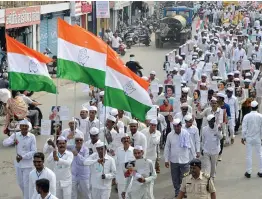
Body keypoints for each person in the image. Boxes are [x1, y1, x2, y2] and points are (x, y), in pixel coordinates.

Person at [3, 119, 37, 199]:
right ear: (20, 127)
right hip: (18, 164)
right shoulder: (16, 134)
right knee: (20, 183)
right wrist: (12, 141)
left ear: (28, 127)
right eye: (23, 126)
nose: (24, 127)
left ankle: (27, 197)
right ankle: (28, 196)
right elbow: (4, 143)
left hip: (28, 165)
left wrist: (23, 157)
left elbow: (34, 151)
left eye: (26, 126)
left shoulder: (32, 137)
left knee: (26, 184)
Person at [164, 118, 192, 197]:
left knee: (185, 176)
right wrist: (166, 160)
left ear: (180, 126)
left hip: (185, 159)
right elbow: (167, 148)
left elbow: (190, 145)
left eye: (178, 126)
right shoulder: (170, 135)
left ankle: (184, 191)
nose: (176, 128)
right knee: (175, 177)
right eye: (175, 126)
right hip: (174, 160)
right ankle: (177, 191)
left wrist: (193, 157)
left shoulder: (186, 133)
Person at [241, 101, 262, 178]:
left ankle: (248, 172)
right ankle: (261, 171)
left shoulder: (246, 116)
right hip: (258, 138)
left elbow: (244, 128)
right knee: (259, 154)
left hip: (249, 138)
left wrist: (243, 138)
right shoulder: (260, 116)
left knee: (248, 155)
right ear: (257, 107)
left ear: (250, 107)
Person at [202, 114, 223, 179]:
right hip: (206, 150)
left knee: (213, 166)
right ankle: (207, 179)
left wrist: (219, 131)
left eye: (212, 121)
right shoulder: (204, 129)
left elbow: (221, 137)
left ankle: (212, 178)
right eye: (210, 121)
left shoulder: (218, 128)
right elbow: (202, 140)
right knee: (207, 166)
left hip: (215, 151)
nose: (211, 123)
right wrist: (202, 149)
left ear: (214, 120)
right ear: (208, 122)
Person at [71, 134, 91, 199]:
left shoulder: (86, 150)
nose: (79, 141)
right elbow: (63, 145)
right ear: (75, 141)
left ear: (83, 141)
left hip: (83, 176)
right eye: (77, 140)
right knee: (73, 194)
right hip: (74, 175)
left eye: (81, 140)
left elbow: (84, 162)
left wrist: (77, 155)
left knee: (86, 194)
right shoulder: (72, 147)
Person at [115, 134, 135, 199]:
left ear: (130, 140)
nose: (126, 140)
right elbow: (116, 163)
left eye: (127, 138)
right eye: (124, 139)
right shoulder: (118, 150)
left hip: (130, 178)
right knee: (121, 196)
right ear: (122, 140)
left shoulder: (134, 150)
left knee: (129, 196)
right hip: (120, 177)